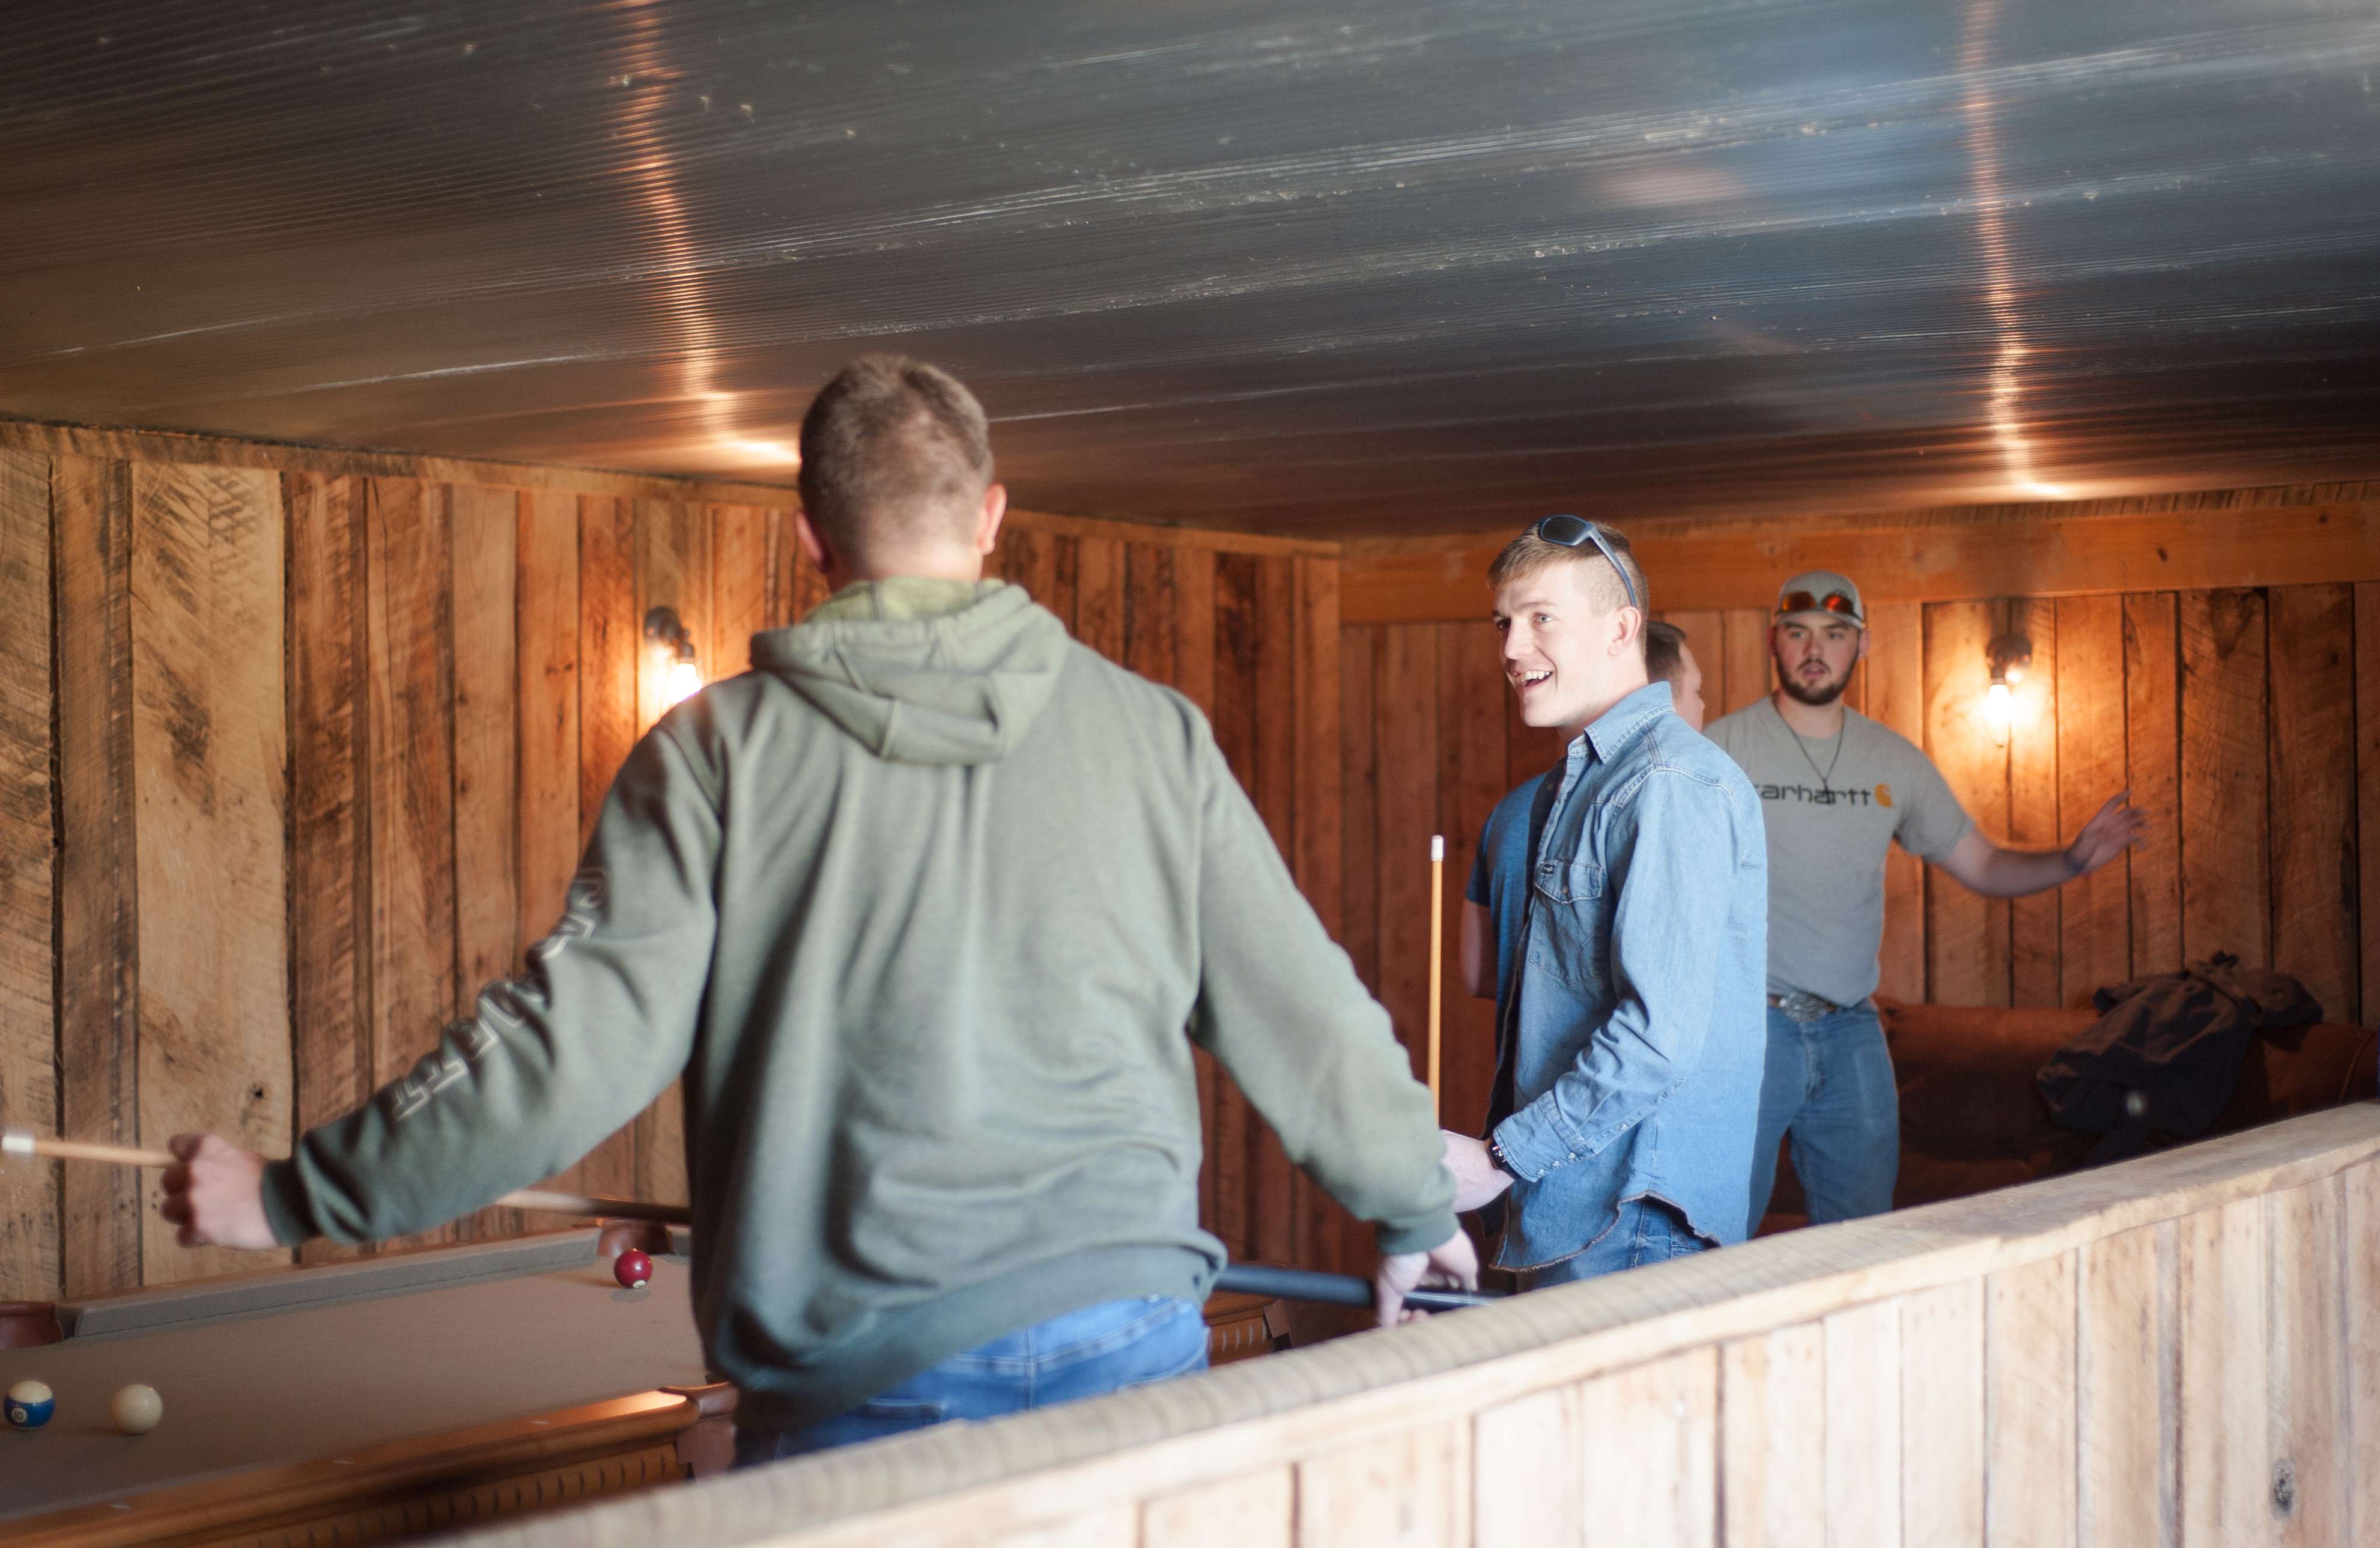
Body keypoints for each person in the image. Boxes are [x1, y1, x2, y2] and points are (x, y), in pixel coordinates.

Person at [156, 354, 1474, 1463]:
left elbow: (566, 1050)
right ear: (992, 514)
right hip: (1128, 1337)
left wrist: (296, 1196)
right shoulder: (1152, 735)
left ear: (809, 533)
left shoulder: (714, 753)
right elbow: (1301, 1009)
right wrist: (1415, 1208)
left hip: (865, 1380)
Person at [1704, 569, 2145, 1233]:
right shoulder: (1723, 749)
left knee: (1861, 1237)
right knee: (1717, 1230)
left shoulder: (1893, 762)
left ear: (1862, 645)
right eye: (1797, 633)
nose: (1814, 649)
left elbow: (1984, 864)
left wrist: (2072, 860)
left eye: (1833, 634)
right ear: (1773, 641)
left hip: (1851, 1028)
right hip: (1746, 1029)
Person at [1438, 517, 1767, 1282]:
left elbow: (1656, 1039)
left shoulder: (1668, 783)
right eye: (1505, 623)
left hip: (1633, 1219)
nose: (1512, 648)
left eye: (1540, 619)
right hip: (1576, 1207)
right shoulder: (1579, 781)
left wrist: (1498, 1160)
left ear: (1621, 629)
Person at [1459, 617, 1705, 1015]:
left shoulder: (1508, 810)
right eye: (1696, 690)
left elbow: (1477, 974)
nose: (1703, 706)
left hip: (1520, 1066)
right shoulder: (1667, 803)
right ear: (1662, 699)